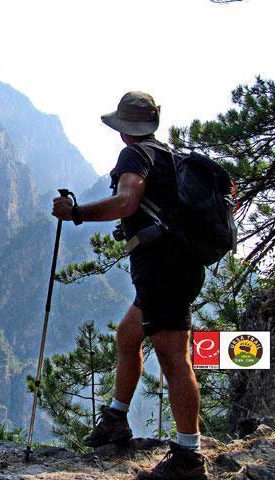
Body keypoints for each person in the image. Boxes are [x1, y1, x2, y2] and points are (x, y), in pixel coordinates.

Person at [52, 91, 207, 480]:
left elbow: (125, 202)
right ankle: (117, 419)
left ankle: (189, 456)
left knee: (174, 358)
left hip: (163, 271)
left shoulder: (135, 155)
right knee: (128, 335)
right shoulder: (166, 155)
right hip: (176, 268)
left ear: (124, 129)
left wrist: (76, 213)